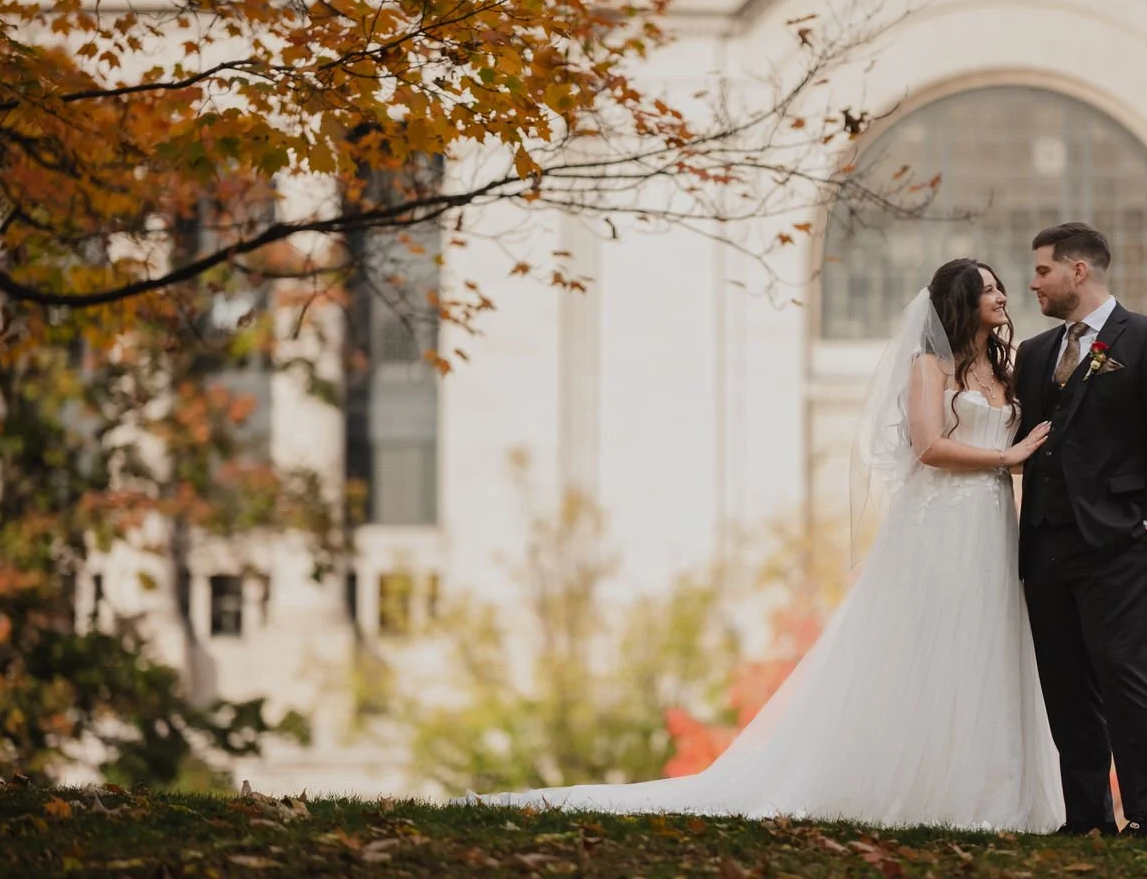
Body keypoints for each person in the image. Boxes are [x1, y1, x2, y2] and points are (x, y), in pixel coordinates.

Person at [452, 257, 1064, 831]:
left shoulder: (1003, 372)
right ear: (961, 302)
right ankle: (917, 785)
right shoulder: (928, 367)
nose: (1002, 295)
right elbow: (929, 446)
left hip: (989, 519)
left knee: (986, 640)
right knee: (934, 644)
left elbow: (1009, 446)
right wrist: (1005, 456)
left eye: (999, 286)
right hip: (938, 522)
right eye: (987, 288)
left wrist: (1016, 461)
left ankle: (984, 790)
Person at [1013, 222, 1147, 838]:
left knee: (1125, 676)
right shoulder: (1035, 354)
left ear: (1078, 271)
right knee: (1064, 683)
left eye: (1042, 270)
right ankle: (1086, 817)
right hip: (1044, 543)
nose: (1032, 282)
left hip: (1118, 541)